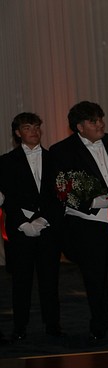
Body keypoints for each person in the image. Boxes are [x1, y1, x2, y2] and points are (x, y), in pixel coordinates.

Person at [50, 101, 108, 340]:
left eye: (101, 119)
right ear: (80, 127)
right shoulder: (61, 151)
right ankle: (100, 324)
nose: (100, 124)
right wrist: (89, 203)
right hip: (88, 224)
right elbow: (60, 189)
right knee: (95, 277)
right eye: (93, 121)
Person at [0, 112, 64, 339]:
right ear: (18, 133)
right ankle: (20, 327)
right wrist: (22, 222)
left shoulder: (54, 158)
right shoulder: (5, 161)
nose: (34, 131)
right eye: (28, 128)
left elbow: (61, 195)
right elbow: (6, 197)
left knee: (50, 279)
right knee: (21, 280)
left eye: (36, 127)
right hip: (21, 230)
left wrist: (44, 219)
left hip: (48, 228)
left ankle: (53, 325)